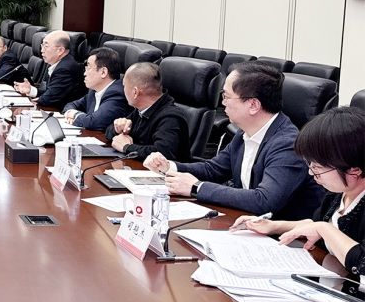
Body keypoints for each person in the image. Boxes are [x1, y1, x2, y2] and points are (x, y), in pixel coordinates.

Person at [146, 61, 322, 219]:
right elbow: (213, 169)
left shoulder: (287, 144)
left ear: (253, 105)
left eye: (226, 96)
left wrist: (196, 187)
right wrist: (169, 167)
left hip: (281, 236)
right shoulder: (245, 132)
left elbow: (265, 200)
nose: (222, 103)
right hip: (245, 222)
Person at [229, 106, 364, 274]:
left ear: (354, 170)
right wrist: (273, 226)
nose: (311, 173)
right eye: (310, 164)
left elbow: (361, 262)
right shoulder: (337, 194)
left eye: (318, 167)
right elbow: (316, 225)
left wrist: (324, 229)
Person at [105, 62, 191, 162]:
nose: (123, 90)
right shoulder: (141, 110)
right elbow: (109, 133)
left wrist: (127, 147)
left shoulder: (171, 117)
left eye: (124, 86)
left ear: (135, 92)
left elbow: (163, 153)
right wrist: (117, 129)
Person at [62, 47, 128, 132]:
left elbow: (95, 122)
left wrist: (75, 115)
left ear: (103, 72)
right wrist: (70, 112)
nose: (84, 73)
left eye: (88, 68)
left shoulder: (117, 94)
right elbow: (71, 105)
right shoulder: (94, 91)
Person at [13, 30, 83, 107]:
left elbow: (48, 99)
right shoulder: (58, 63)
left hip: (63, 112)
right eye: (42, 46)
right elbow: (50, 92)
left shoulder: (65, 69)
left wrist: (32, 102)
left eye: (46, 46)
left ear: (60, 50)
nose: (42, 50)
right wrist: (30, 90)